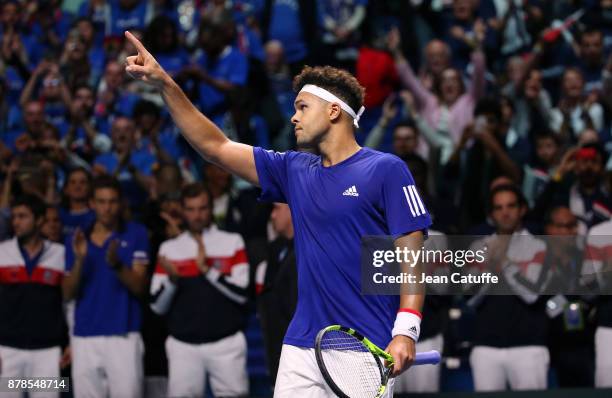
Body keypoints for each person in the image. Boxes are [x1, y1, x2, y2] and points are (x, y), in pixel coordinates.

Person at [125, 30, 431, 396]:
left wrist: (406, 330)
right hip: (300, 346)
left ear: (333, 111)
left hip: (363, 346)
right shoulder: (293, 169)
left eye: (303, 107)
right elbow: (215, 146)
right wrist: (165, 84)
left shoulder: (386, 169)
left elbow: (413, 256)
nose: (293, 117)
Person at [150, 183, 250, 397]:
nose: (197, 215)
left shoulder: (232, 242)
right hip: (183, 346)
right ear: (183, 211)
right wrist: (172, 280)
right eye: (191, 209)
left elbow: (242, 295)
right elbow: (157, 306)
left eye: (203, 208)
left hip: (227, 344)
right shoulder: (169, 249)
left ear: (211, 208)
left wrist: (208, 270)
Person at [63, 176, 150, 398]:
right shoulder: (76, 238)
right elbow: (67, 293)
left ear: (120, 203)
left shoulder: (137, 234)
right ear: (91, 203)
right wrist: (80, 260)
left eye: (112, 201)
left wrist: (117, 265)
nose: (107, 208)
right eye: (101, 201)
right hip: (84, 337)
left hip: (124, 335)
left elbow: (140, 287)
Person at [467, 185, 549, 391]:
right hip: (486, 347)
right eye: (498, 207)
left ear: (522, 209)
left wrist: (503, 262)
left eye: (511, 206)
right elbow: (469, 296)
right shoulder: (478, 247)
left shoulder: (540, 246)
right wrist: (491, 270)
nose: (505, 212)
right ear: (491, 214)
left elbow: (533, 294)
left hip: (529, 347)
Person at [0, 194, 68, 398]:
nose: (16, 222)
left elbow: (69, 303)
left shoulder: (60, 254)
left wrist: (70, 342)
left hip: (47, 353)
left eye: (22, 216)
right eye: (14, 217)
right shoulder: (1, 253)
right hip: (7, 351)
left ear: (39, 220)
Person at [256, 203, 297, 386]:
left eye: (276, 208)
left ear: (292, 208)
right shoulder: (274, 249)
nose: (272, 215)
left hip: (302, 352)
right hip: (278, 351)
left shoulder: (312, 251)